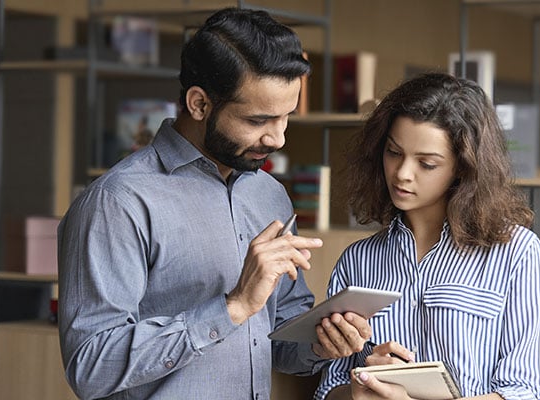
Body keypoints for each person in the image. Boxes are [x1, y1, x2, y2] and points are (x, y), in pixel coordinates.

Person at [58, 8, 371, 400]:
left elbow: (279, 342)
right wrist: (233, 307)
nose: (278, 139)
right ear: (199, 104)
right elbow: (90, 366)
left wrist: (321, 343)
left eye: (286, 117)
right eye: (259, 120)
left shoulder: (269, 194)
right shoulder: (118, 203)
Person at [315, 73, 540, 400]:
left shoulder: (517, 255)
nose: (402, 173)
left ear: (462, 167)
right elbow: (329, 389)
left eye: (426, 164)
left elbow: (528, 393)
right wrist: (359, 390)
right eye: (393, 152)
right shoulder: (358, 262)